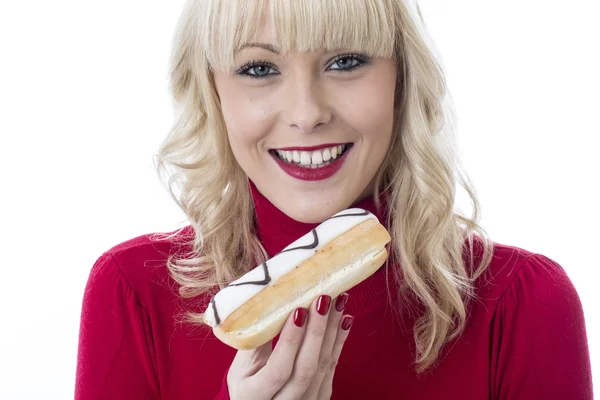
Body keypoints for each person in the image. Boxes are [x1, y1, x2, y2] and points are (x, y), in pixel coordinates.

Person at [75, 0, 593, 399]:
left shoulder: (520, 305)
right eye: (259, 68)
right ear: (212, 91)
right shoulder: (135, 293)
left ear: (401, 81)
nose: (307, 113)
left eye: (346, 61)